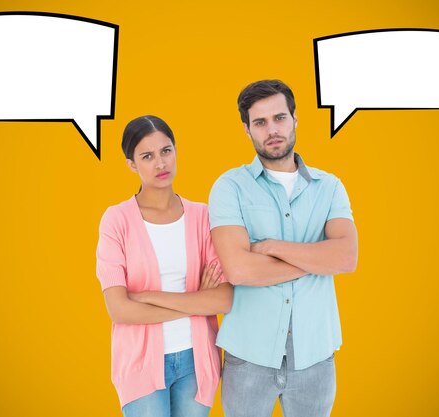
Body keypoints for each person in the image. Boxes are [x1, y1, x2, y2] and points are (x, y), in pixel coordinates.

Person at [208, 80, 358, 417]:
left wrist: (272, 247)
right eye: (260, 123)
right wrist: (317, 259)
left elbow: (346, 257)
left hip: (315, 356)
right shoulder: (230, 187)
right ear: (247, 130)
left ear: (295, 119)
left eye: (279, 118)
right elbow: (239, 270)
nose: (271, 130)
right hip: (249, 357)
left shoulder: (329, 187)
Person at [96, 115, 233, 417]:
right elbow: (119, 310)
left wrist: (149, 297)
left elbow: (223, 299)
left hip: (197, 361)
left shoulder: (202, 216)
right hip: (140, 364)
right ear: (132, 164)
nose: (160, 163)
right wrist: (197, 303)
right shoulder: (116, 220)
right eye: (147, 156)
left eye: (166, 151)